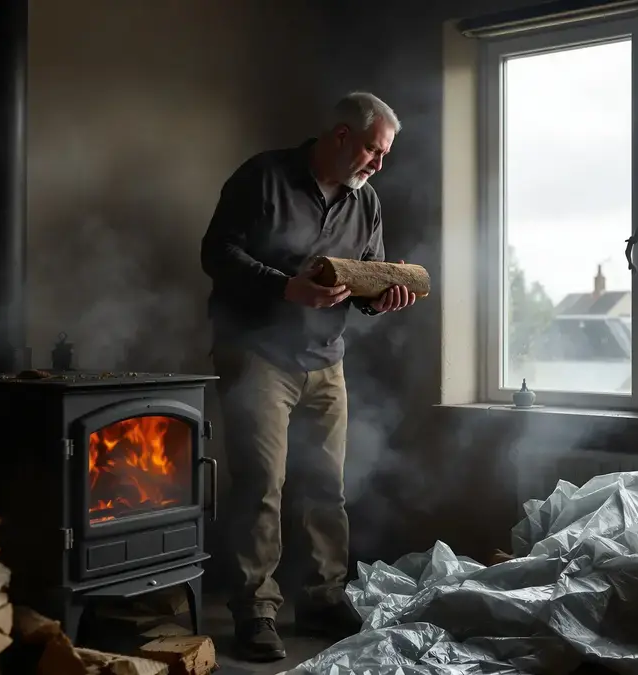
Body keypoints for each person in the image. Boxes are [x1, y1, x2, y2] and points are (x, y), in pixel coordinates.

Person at [199, 92, 416, 662]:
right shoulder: (263, 177)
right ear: (341, 136)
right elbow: (216, 253)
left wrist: (381, 299)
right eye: (373, 149)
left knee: (324, 487)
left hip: (326, 359)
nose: (377, 164)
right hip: (256, 355)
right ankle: (255, 611)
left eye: (384, 154)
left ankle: (320, 599)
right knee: (261, 485)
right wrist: (283, 285)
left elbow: (367, 278)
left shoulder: (364, 202)